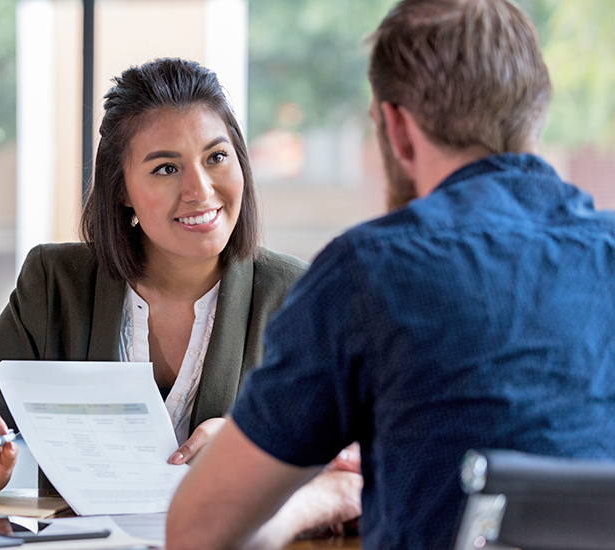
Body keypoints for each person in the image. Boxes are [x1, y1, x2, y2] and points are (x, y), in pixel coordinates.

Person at [167, 1, 615, 549]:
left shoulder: (371, 273)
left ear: (397, 129)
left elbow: (196, 530)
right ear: (537, 110)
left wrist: (323, 497)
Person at [0, 57, 362, 536]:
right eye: (166, 168)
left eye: (216, 157)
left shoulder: (297, 295)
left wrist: (256, 448)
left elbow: (353, 460)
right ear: (121, 189)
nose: (200, 190)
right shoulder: (56, 284)